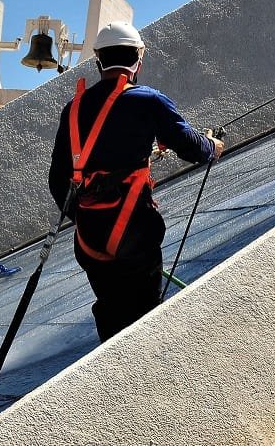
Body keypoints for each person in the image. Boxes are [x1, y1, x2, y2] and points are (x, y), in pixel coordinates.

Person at [48, 21, 224, 342]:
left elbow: (57, 180)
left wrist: (88, 215)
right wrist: (213, 146)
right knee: (145, 318)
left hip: (90, 241)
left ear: (99, 61)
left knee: (111, 311)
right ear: (138, 60)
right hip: (134, 230)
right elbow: (190, 146)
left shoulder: (72, 110)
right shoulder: (148, 101)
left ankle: (111, 374)